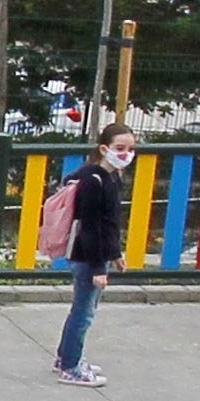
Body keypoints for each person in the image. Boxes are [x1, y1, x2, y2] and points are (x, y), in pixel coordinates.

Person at [54, 121, 132, 385]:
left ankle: (66, 357)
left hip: (94, 253)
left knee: (83, 308)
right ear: (103, 148)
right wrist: (99, 267)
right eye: (119, 148)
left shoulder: (108, 177)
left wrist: (115, 253)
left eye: (130, 148)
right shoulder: (94, 180)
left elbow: (108, 225)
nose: (125, 154)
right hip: (86, 255)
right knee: (83, 312)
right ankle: (70, 366)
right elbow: (90, 227)